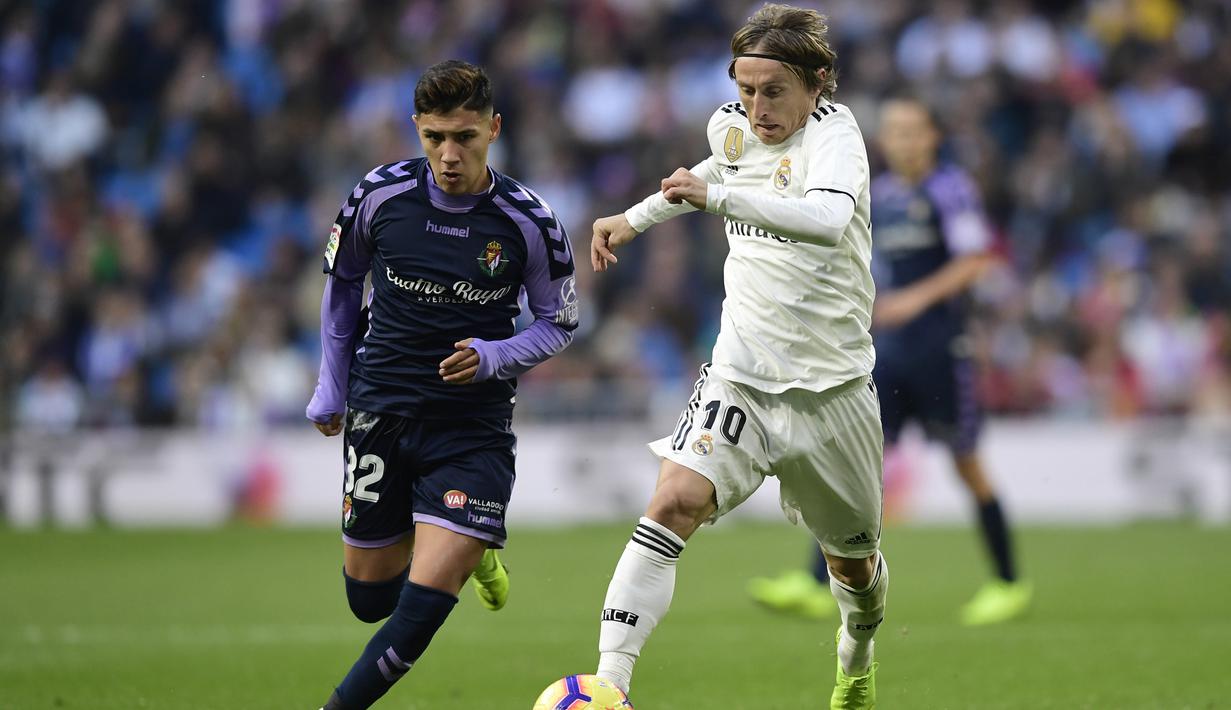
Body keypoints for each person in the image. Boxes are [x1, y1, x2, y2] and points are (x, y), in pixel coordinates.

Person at [589, 6, 885, 708]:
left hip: (833, 392)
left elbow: (825, 219)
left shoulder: (836, 139)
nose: (757, 107)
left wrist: (719, 198)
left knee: (854, 569)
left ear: (816, 85)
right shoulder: (735, 131)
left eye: (773, 91)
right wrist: (631, 220)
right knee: (671, 501)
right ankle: (609, 684)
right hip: (740, 377)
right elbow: (704, 171)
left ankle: (856, 657)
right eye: (745, 88)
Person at [305, 59, 578, 709]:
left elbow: (558, 323)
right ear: (417, 130)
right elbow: (344, 288)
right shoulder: (377, 196)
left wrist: (494, 356)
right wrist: (331, 384)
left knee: (420, 611)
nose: (449, 155)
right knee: (369, 598)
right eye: (435, 139)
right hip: (382, 407)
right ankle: (469, 551)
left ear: (494, 129)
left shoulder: (528, 221)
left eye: (465, 137)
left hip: (471, 428)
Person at [747, 96, 1032, 627]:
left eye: (912, 131)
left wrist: (912, 301)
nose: (901, 140)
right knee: (859, 468)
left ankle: (1008, 583)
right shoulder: (881, 193)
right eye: (894, 132)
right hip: (889, 353)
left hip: (942, 350)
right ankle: (814, 584)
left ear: (932, 138)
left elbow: (976, 260)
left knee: (967, 464)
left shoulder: (950, 191)